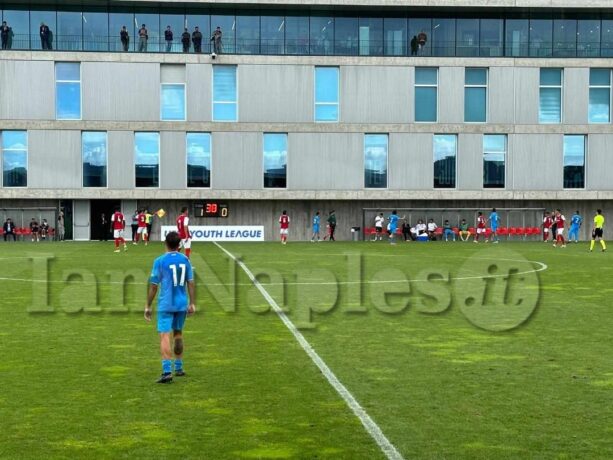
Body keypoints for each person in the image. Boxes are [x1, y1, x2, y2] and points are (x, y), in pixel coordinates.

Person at [144, 231, 196, 384]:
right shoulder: (185, 260)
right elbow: (191, 282)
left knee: (164, 335)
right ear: (179, 245)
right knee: (178, 333)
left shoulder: (159, 261)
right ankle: (179, 367)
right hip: (181, 303)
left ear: (165, 243)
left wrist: (148, 305)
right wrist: (192, 303)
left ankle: (167, 371)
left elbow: (154, 286)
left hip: (166, 304)